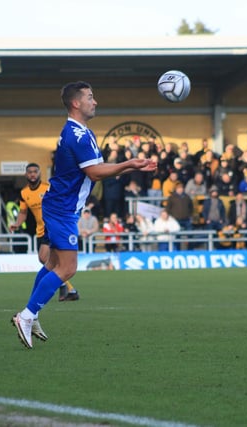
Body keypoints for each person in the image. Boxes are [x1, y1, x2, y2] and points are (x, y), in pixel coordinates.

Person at [11, 81, 156, 349]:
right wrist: (129, 164)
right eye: (91, 97)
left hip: (60, 206)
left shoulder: (81, 132)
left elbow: (97, 167)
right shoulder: (77, 136)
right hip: (62, 209)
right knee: (68, 268)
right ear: (76, 103)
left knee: (52, 266)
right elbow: (95, 173)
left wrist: (134, 166)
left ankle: (32, 314)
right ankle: (27, 315)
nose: (95, 101)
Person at [10, 162, 80, 301]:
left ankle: (63, 287)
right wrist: (17, 223)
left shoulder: (47, 188)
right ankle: (69, 289)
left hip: (53, 227)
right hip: (41, 230)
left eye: (35, 171)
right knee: (51, 261)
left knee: (44, 258)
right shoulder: (24, 193)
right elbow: (23, 212)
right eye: (29, 172)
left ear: (39, 173)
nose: (32, 174)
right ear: (26, 174)